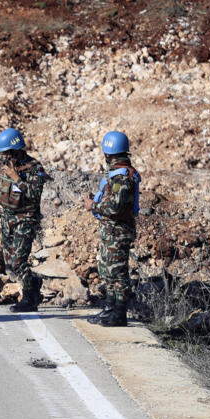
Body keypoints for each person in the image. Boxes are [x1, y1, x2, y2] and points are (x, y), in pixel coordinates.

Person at [0, 128, 48, 313]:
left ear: (17, 150)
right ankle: (34, 283)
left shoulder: (35, 168)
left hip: (26, 219)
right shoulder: (0, 164)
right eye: (4, 153)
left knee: (19, 261)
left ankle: (28, 299)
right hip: (7, 218)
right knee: (10, 265)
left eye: (9, 153)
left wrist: (16, 178)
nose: (6, 156)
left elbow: (34, 194)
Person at [84, 130, 142, 327]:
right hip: (111, 231)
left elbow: (115, 207)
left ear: (109, 154)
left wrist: (93, 205)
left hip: (118, 232)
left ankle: (119, 313)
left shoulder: (122, 178)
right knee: (107, 271)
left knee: (117, 273)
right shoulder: (117, 175)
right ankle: (110, 308)